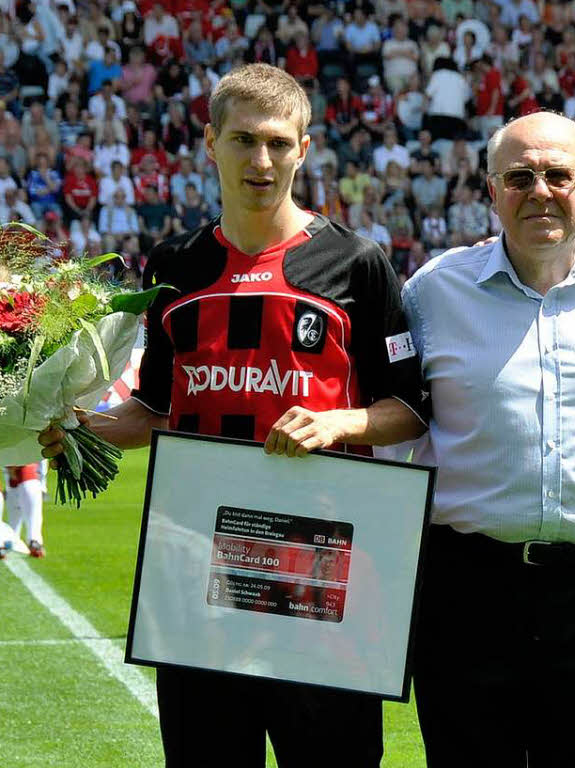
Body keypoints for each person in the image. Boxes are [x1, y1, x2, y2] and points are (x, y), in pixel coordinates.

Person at [39, 63, 428, 768]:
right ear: (210, 143)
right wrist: (77, 427)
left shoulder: (357, 264)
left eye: (280, 142)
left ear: (304, 149)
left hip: (321, 578)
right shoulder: (175, 267)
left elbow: (409, 409)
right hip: (195, 577)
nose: (262, 160)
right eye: (243, 140)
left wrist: (336, 424)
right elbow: (155, 411)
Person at [396, 111, 575, 767]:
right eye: (519, 176)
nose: (540, 190)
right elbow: (396, 438)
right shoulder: (432, 293)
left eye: (559, 174)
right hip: (463, 593)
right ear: (491, 189)